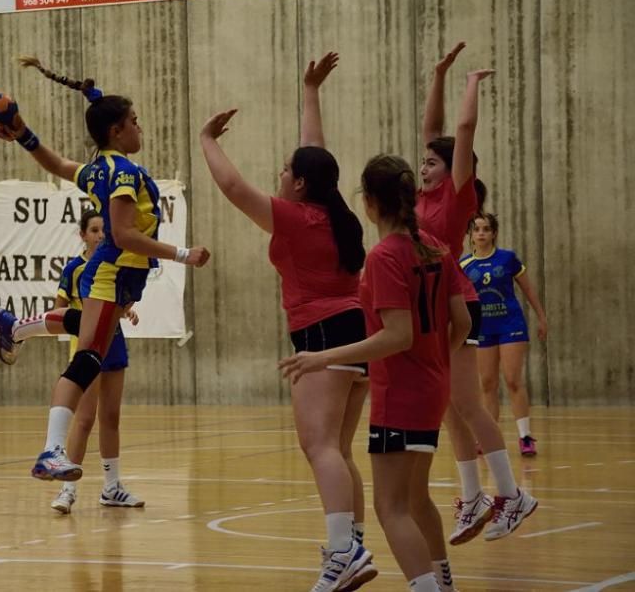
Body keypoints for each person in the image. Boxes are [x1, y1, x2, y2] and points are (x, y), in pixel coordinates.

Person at [0, 56, 210, 484]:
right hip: (112, 273)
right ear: (116, 131)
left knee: (83, 333)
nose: (140, 128)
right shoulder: (121, 173)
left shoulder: (97, 169)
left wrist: (24, 134)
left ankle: (16, 328)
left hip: (114, 277)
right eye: (134, 122)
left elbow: (57, 165)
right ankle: (50, 451)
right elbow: (123, 235)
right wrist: (182, 254)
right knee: (87, 359)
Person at [199, 53, 376, 592]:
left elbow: (233, 189)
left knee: (318, 447)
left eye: (284, 168)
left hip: (321, 336)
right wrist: (309, 90)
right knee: (338, 450)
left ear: (299, 185)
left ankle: (342, 551)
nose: (279, 173)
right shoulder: (335, 210)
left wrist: (207, 140)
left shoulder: (296, 218)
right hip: (358, 333)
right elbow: (316, 154)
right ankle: (355, 547)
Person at [281, 154, 472, 592]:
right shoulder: (436, 247)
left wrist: (321, 357)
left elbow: (397, 336)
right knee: (417, 498)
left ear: (369, 203)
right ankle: (444, 582)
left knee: (392, 509)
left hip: (401, 393)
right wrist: (437, 359)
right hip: (433, 386)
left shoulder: (386, 256)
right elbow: (461, 322)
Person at [418, 43, 537, 543]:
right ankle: (472, 497)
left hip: (455, 301)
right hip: (428, 302)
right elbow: (434, 129)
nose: (422, 167)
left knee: (468, 403)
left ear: (451, 168)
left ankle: (513, 494)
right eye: (421, 163)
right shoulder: (423, 195)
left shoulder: (459, 191)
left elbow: (459, 132)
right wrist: (439, 74)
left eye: (430, 163)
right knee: (449, 406)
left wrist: (470, 81)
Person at [50, 209, 143, 512]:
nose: (101, 235)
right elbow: (59, 311)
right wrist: (87, 320)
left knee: (111, 417)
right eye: (94, 230)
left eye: (104, 229)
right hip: (88, 345)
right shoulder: (75, 269)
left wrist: (124, 310)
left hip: (114, 342)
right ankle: (68, 489)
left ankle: (111, 488)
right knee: (85, 418)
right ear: (83, 235)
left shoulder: (116, 266)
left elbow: (121, 301)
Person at [461, 213, 548, 456]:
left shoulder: (507, 258)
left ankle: (525, 437)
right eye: (477, 229)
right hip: (483, 328)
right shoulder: (464, 265)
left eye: (486, 229)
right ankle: (489, 438)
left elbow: (528, 288)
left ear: (493, 233)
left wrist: (541, 317)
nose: (481, 233)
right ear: (471, 234)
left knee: (512, 379)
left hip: (510, 324)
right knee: (487, 383)